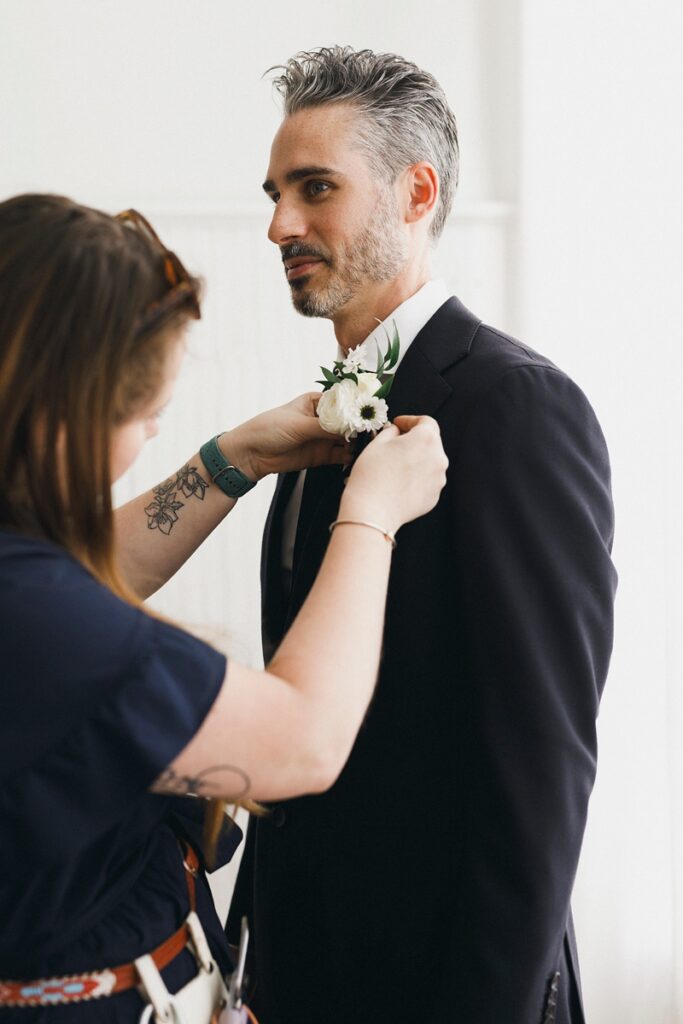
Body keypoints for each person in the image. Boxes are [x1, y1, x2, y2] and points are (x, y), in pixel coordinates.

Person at [226, 46, 618, 1024]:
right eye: (275, 193)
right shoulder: (315, 423)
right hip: (307, 977)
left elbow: (538, 768)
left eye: (314, 188)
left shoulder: (513, 406)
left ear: (415, 192)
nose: (279, 224)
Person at [0, 193, 448, 1022]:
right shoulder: (46, 625)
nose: (153, 432)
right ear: (69, 413)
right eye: (147, 414)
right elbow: (302, 742)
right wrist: (371, 515)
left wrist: (230, 459)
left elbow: (83, 567)